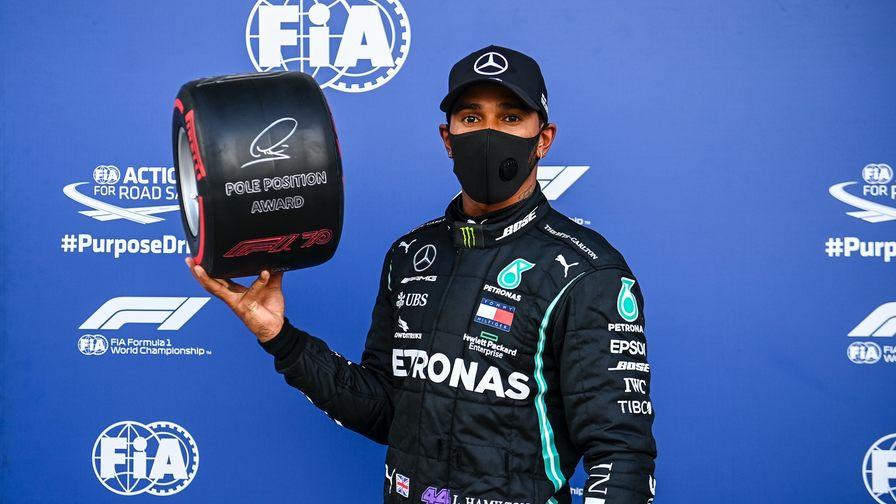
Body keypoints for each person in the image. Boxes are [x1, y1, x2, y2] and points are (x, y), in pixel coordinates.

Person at [186, 45, 657, 504]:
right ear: (447, 138)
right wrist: (281, 338)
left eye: (511, 117)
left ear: (544, 139)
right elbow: (384, 411)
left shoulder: (587, 272)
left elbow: (621, 454)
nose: (488, 132)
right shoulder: (410, 255)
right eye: (471, 118)